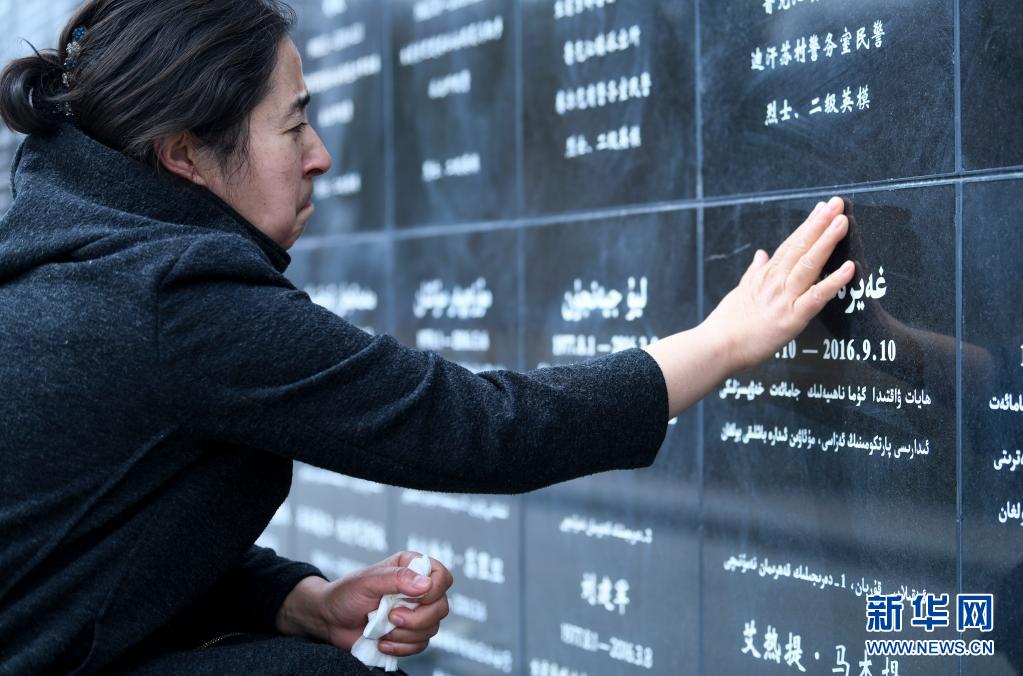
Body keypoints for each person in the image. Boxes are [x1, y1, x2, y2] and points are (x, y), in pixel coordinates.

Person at [0, 1, 855, 674]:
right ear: (185, 155)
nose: (320, 155)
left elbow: (85, 550)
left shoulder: (68, 255)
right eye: (293, 125)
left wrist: (296, 601)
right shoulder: (171, 296)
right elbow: (476, 427)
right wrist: (724, 341)